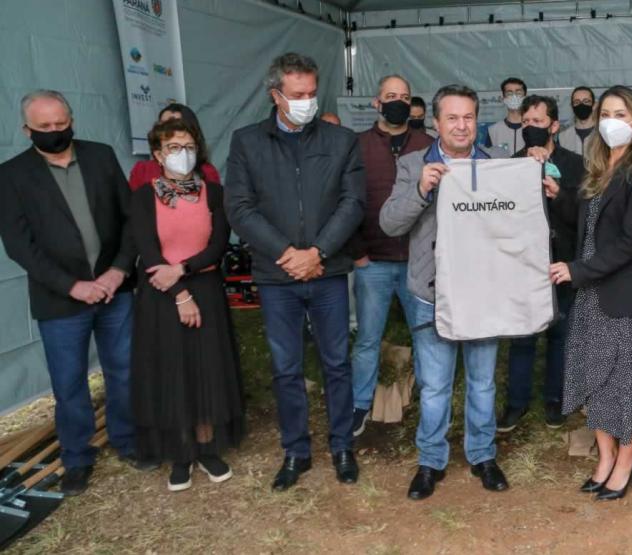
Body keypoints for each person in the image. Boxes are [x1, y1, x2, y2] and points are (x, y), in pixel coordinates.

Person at [0, 90, 154, 496]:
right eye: (44, 127)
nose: (54, 131)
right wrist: (72, 285)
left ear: (72, 120)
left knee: (124, 370)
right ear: (27, 130)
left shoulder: (100, 156)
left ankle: (127, 440)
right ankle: (77, 457)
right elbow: (19, 246)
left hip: (115, 290)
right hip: (60, 299)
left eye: (61, 123)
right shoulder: (11, 175)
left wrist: (119, 270)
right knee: (69, 383)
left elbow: (130, 219)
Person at [224, 53, 365, 490]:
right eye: (298, 94)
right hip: (276, 275)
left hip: (327, 270)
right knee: (286, 367)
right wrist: (287, 253)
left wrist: (318, 251)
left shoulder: (341, 140)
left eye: (312, 93)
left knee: (336, 363)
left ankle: (342, 446)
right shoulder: (247, 142)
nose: (307, 101)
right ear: (276, 95)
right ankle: (296, 451)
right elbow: (239, 208)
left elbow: (353, 202)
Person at [380, 84, 510, 501]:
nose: (461, 125)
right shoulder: (413, 164)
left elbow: (514, 223)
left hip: (483, 292)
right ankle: (431, 461)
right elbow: (389, 223)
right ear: (435, 123)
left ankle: (482, 455)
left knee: (482, 383)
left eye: (468, 117)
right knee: (435, 385)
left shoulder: (496, 163)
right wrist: (420, 190)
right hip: (431, 293)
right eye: (452, 118)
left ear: (477, 121)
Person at [549, 86, 632, 501]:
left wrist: (577, 270)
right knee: (595, 379)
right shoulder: (599, 167)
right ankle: (605, 457)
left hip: (621, 295)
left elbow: (630, 242)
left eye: (620, 114)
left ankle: (626, 462)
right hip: (590, 292)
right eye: (605, 113)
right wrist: (559, 197)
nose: (610, 121)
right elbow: (588, 227)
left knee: (624, 384)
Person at [130, 118, 245, 492]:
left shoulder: (213, 193)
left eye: (189, 146)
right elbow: (147, 249)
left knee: (206, 366)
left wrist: (182, 269)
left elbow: (218, 244)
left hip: (205, 286)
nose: (183, 154)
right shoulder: (143, 197)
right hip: (161, 293)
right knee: (172, 367)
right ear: (158, 154)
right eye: (174, 148)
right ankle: (181, 453)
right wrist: (179, 293)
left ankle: (207, 446)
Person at [349, 76, 434, 436]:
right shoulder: (357, 146)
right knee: (368, 339)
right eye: (391, 96)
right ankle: (360, 404)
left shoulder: (428, 144)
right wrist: (357, 253)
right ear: (377, 102)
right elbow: (346, 201)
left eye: (404, 97)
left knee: (427, 338)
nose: (398, 102)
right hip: (374, 261)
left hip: (419, 264)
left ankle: (432, 405)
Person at [496, 95, 583, 433]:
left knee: (560, 333)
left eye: (538, 122)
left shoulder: (575, 164)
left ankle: (555, 399)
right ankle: (516, 403)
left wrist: (559, 195)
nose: (531, 127)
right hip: (524, 264)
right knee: (523, 336)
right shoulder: (511, 165)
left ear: (554, 126)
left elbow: (583, 216)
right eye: (526, 122)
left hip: (562, 260)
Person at [128, 103, 220, 191]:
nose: (171, 131)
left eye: (178, 126)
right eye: (164, 126)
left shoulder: (208, 172)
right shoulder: (142, 170)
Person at [487, 77, 526, 153]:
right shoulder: (493, 130)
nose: (514, 96)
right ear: (503, 98)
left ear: (525, 97)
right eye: (509, 93)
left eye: (518, 93)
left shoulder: (532, 127)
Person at [557, 86, 596, 156]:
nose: (581, 105)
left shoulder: (603, 134)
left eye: (586, 101)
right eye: (577, 102)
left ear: (593, 105)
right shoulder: (562, 137)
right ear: (572, 106)